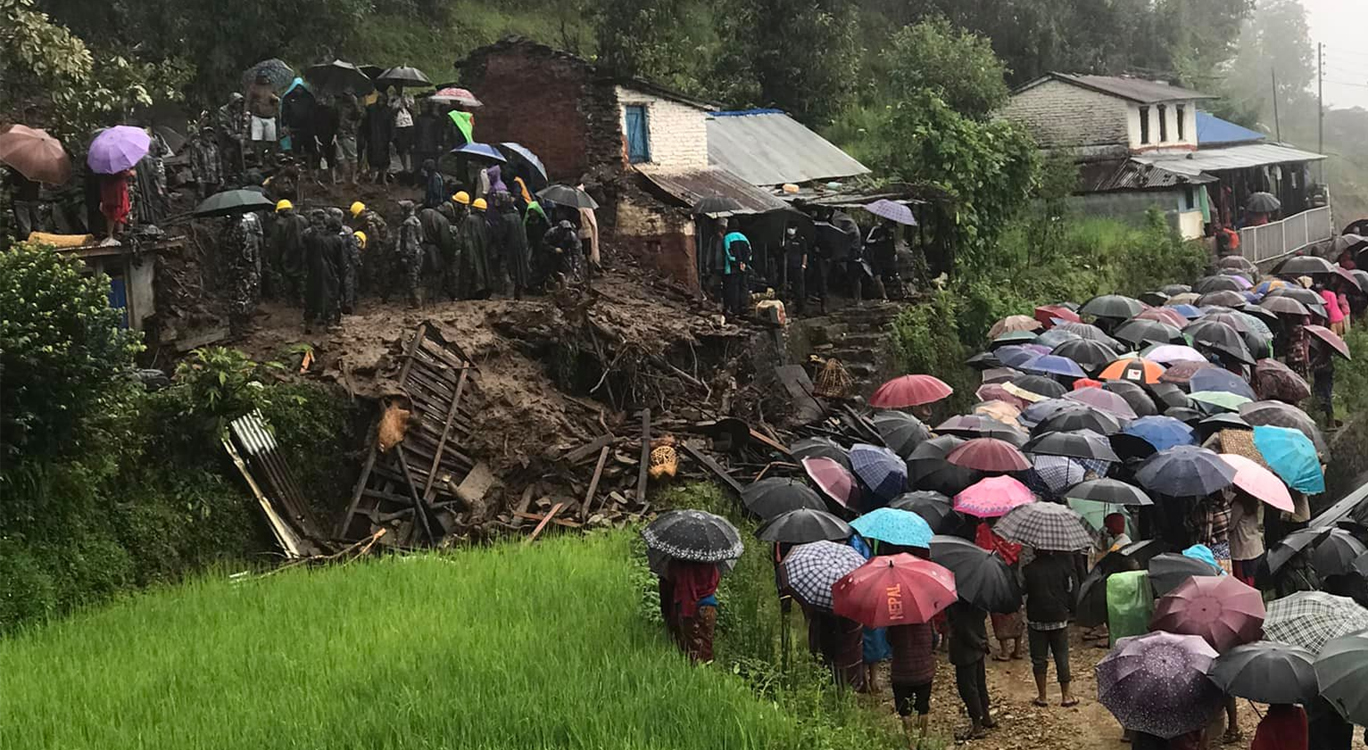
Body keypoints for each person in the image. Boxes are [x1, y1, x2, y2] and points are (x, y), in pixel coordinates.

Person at [1023, 549, 1077, 708]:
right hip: (1058, 617)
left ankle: (1042, 696)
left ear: (1034, 550)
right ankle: (1066, 696)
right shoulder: (1063, 567)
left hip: (1036, 619)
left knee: (1039, 658)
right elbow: (1069, 588)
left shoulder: (1028, 569)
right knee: (1061, 656)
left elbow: (1022, 589)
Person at [945, 600, 994, 740]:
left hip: (964, 651)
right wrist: (982, 643)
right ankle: (986, 716)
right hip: (978, 646)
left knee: (968, 688)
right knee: (980, 683)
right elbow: (982, 616)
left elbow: (961, 628)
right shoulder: (978, 596)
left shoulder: (954, 601)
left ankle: (977, 725)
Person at [976, 522, 1024, 661]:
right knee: (1016, 608)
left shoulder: (983, 529)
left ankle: (1004, 651)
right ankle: (1018, 649)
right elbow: (1018, 547)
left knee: (998, 610)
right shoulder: (1011, 525)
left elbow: (982, 550)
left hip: (994, 570)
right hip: (1012, 571)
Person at [887, 619, 935, 747]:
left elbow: (889, 641)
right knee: (923, 708)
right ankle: (922, 740)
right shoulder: (926, 617)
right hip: (924, 670)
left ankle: (910, 744)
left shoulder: (893, 620)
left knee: (904, 711)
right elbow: (934, 639)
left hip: (901, 672)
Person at [667, 559, 719, 663]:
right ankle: (706, 672)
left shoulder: (683, 560)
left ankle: (696, 673)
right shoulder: (710, 558)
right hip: (710, 606)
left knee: (693, 646)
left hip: (691, 606)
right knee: (706, 644)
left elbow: (672, 576)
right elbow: (716, 578)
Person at [303, 209, 342, 332]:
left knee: (312, 295)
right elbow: (341, 261)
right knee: (330, 296)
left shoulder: (310, 236)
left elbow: (304, 253)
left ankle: (309, 322)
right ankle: (329, 322)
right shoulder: (336, 240)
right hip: (330, 271)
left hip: (313, 269)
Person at [227, 210, 263, 334]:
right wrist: (252, 265)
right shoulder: (241, 228)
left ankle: (236, 323)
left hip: (231, 267)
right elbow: (246, 249)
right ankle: (245, 323)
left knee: (234, 295)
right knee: (245, 295)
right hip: (243, 267)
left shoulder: (225, 229)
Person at [268, 199, 308, 303]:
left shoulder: (279, 224)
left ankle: (291, 300)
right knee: (301, 278)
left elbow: (275, 245)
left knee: (288, 278)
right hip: (302, 255)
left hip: (287, 255)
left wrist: (274, 261)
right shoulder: (303, 219)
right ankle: (302, 298)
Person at [495, 192, 532, 300]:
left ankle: (509, 299)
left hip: (509, 252)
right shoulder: (517, 216)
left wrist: (499, 250)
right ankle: (518, 298)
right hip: (520, 251)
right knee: (519, 274)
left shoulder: (504, 219)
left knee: (507, 274)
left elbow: (501, 237)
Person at [349, 201, 389, 297]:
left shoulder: (369, 220)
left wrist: (376, 248)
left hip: (382, 244)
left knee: (374, 267)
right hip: (386, 241)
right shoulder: (373, 214)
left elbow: (375, 235)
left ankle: (377, 292)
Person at [417, 202, 453, 305]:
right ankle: (434, 299)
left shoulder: (425, 212)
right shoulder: (443, 221)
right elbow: (445, 242)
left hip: (419, 247)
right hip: (433, 250)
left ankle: (420, 300)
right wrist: (448, 256)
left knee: (421, 275)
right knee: (436, 274)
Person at [457, 198, 492, 299]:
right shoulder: (486, 223)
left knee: (471, 273)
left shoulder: (470, 220)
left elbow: (463, 237)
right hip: (483, 253)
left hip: (471, 252)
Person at [1228, 492, 1263, 588]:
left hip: (1242, 550)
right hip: (1255, 547)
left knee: (1243, 581)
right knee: (1254, 578)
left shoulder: (1238, 505)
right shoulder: (1254, 503)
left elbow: (1231, 526)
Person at [245, 73, 280, 166]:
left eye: (266, 76)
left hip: (270, 115)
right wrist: (247, 112)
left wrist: (275, 99)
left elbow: (277, 101)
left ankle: (272, 159)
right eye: (263, 76)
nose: (265, 78)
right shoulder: (253, 87)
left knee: (272, 140)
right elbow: (248, 100)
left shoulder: (272, 87)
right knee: (257, 140)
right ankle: (259, 160)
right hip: (257, 116)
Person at [361, 91, 393, 184]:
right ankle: (373, 178)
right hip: (372, 137)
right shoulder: (371, 108)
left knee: (385, 159)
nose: (381, 103)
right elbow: (365, 123)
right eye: (380, 100)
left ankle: (383, 178)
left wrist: (391, 139)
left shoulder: (388, 110)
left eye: (383, 101)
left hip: (384, 138)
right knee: (372, 158)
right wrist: (365, 135)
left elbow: (391, 125)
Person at [396, 201, 423, 307]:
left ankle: (416, 303)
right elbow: (420, 239)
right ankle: (417, 302)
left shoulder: (408, 223)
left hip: (412, 254)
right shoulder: (416, 221)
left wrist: (405, 256)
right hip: (417, 252)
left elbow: (409, 242)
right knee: (415, 277)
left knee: (412, 277)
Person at [543, 217, 583, 287]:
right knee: (549, 268)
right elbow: (544, 245)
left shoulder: (571, 236)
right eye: (564, 230)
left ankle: (566, 284)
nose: (566, 232)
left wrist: (575, 266)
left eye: (568, 230)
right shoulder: (551, 233)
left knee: (566, 268)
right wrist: (554, 249)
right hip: (550, 255)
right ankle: (549, 283)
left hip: (565, 253)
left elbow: (575, 252)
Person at [215, 92, 247, 178]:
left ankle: (241, 178)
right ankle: (225, 179)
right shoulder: (223, 111)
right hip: (226, 141)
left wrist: (242, 134)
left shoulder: (241, 110)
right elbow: (223, 126)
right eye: (237, 102)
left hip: (238, 140)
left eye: (240, 103)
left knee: (239, 160)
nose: (239, 104)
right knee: (226, 159)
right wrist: (233, 136)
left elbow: (245, 122)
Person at [335, 92, 363, 185]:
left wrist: (355, 103)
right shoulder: (337, 104)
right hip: (338, 132)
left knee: (353, 156)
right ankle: (342, 176)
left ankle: (353, 178)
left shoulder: (354, 106)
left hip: (349, 132)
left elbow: (360, 116)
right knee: (339, 157)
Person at [722, 230, 751, 319]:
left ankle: (735, 310)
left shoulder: (727, 238)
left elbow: (729, 253)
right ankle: (744, 308)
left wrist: (737, 263)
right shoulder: (744, 237)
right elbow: (749, 252)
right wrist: (744, 263)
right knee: (744, 286)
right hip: (744, 267)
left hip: (732, 269)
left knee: (733, 288)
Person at [98, 169, 133, 242]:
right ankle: (111, 234)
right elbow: (122, 174)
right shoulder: (115, 167)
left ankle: (119, 233)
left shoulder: (103, 168)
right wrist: (130, 173)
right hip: (116, 191)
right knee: (115, 211)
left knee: (119, 212)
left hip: (113, 191)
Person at [1310, 336, 1338, 426]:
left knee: (1325, 396)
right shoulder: (1323, 352)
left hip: (1324, 375)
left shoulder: (1325, 351)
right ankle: (1327, 420)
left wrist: (1314, 367)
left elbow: (1321, 361)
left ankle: (1330, 420)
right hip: (1322, 375)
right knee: (1322, 395)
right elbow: (1319, 359)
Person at [781, 225, 809, 315]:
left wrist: (803, 265)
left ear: (796, 229)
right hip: (787, 267)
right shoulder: (785, 240)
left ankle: (800, 307)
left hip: (797, 267)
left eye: (792, 228)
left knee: (799, 288)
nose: (790, 230)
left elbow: (805, 253)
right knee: (787, 287)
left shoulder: (801, 240)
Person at [188, 126, 222, 199]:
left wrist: (220, 176)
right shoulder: (196, 146)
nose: (209, 135)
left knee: (213, 198)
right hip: (202, 178)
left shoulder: (214, 147)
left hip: (213, 178)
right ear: (203, 134)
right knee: (201, 198)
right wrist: (197, 176)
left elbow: (218, 162)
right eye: (207, 133)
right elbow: (194, 162)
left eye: (211, 134)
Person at [413, 100, 444, 176]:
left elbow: (439, 132)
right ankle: (419, 180)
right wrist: (413, 142)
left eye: (425, 107)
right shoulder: (418, 118)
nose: (423, 109)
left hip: (432, 144)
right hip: (420, 144)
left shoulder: (436, 119)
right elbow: (415, 132)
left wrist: (439, 143)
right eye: (422, 107)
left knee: (432, 163)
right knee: (419, 163)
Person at [390, 88, 416, 176]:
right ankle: (404, 167)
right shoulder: (393, 98)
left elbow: (413, 111)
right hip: (399, 126)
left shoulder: (408, 96)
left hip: (409, 124)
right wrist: (398, 108)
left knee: (411, 146)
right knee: (402, 148)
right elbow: (391, 112)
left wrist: (406, 104)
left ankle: (412, 166)